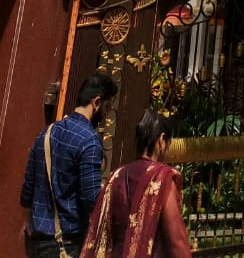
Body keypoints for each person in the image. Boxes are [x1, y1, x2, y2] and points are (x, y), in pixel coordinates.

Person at [21, 72, 118, 257]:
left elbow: (27, 190)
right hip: (65, 244)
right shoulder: (89, 141)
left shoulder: (47, 132)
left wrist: (29, 222)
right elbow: (91, 199)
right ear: (96, 102)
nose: (106, 114)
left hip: (35, 240)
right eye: (107, 107)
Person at [80, 109, 192, 258]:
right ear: (161, 140)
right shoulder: (162, 178)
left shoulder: (116, 176)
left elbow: (102, 229)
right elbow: (176, 240)